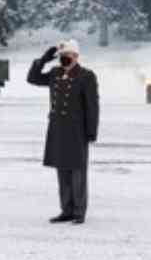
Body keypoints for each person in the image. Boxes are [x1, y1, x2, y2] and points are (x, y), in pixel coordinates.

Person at [27, 39, 99, 225]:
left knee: (77, 173)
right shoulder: (55, 73)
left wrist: (91, 131)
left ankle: (79, 212)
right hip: (58, 129)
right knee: (62, 172)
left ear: (75, 56)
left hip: (77, 131)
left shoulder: (86, 76)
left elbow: (92, 106)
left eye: (66, 56)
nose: (63, 60)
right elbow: (33, 79)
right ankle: (66, 210)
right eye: (61, 57)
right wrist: (43, 59)